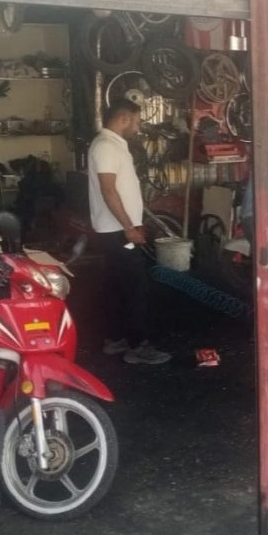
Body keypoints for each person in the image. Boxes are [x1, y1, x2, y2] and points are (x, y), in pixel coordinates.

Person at [89, 99, 171, 365]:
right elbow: (108, 190)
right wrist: (129, 227)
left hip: (116, 229)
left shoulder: (112, 145)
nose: (138, 127)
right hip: (117, 231)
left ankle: (115, 339)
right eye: (136, 121)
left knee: (117, 286)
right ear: (124, 118)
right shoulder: (106, 146)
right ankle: (138, 346)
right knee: (136, 287)